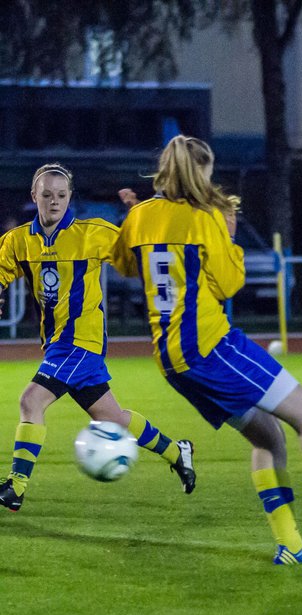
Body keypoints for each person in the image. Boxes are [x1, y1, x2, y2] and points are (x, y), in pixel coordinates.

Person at [113, 135, 302, 564]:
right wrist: (229, 235)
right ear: (199, 172)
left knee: (267, 435)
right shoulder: (205, 218)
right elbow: (230, 283)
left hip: (171, 358)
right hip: (209, 345)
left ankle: (290, 545)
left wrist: (135, 220)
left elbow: (127, 265)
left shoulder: (141, 215)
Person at [0, 163, 196, 513]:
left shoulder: (93, 232)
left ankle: (16, 486)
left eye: (61, 195)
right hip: (56, 341)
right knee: (112, 418)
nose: (55, 201)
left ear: (70, 197)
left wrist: (139, 216)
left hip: (81, 339)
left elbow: (134, 260)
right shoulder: (18, 241)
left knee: (32, 401)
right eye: (47, 195)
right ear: (35, 196)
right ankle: (176, 452)